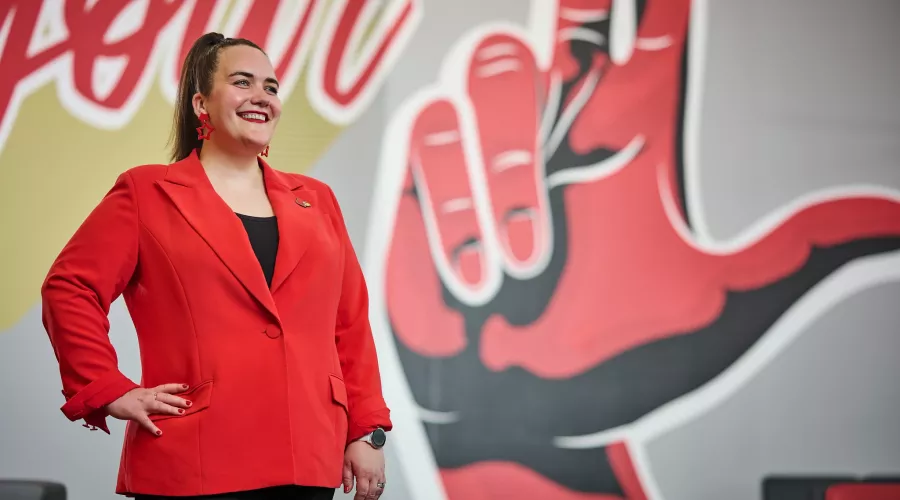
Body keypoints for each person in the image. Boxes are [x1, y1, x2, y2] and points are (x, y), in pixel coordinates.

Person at [40, 32, 391, 500]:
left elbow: (350, 325)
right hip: (194, 457)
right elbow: (70, 287)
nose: (261, 96)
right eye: (243, 82)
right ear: (201, 104)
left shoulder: (317, 199)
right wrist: (107, 387)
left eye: (271, 87)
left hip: (308, 456)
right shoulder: (147, 192)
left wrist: (367, 430)